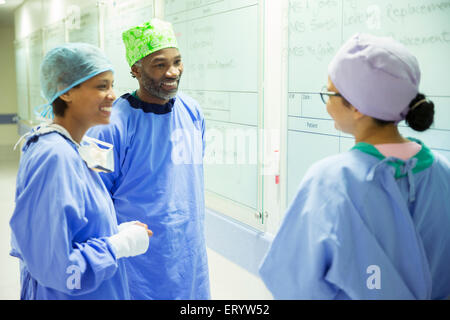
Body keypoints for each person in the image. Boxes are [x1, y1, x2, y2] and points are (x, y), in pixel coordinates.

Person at [259, 33, 450, 299]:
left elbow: (294, 284)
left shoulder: (331, 182)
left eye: (330, 93)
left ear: (358, 106)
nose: (327, 105)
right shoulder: (442, 172)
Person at [10, 43, 153, 300]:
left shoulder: (74, 148)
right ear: (65, 91)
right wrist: (117, 245)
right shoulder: (54, 157)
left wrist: (113, 231)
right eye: (101, 86)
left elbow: (72, 228)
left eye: (112, 85)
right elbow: (57, 269)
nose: (112, 95)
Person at [87, 19, 210, 300]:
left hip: (187, 246)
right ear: (135, 70)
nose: (173, 72)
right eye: (159, 64)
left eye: (177, 62)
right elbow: (90, 193)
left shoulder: (192, 111)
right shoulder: (104, 126)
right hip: (136, 255)